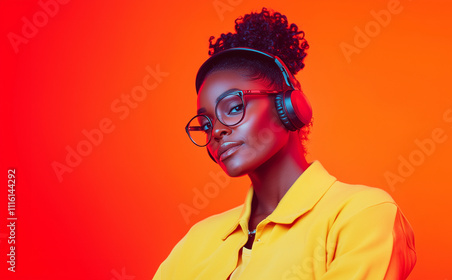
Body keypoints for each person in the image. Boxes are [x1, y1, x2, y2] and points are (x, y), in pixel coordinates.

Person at [153, 7, 416, 279]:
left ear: (288, 106)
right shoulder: (197, 241)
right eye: (206, 125)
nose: (217, 131)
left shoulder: (361, 214)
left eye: (233, 108)